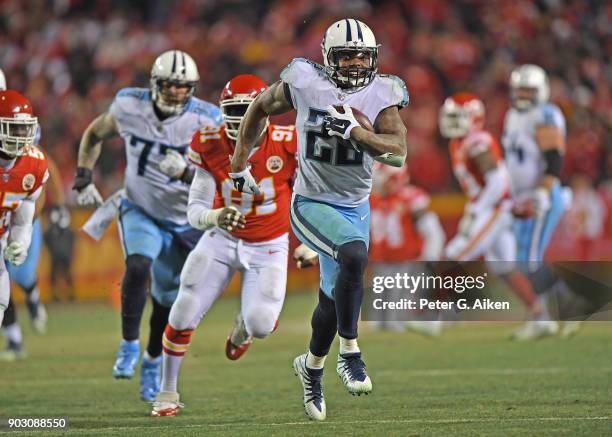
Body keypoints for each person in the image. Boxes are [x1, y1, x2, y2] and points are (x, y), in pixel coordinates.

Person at [229, 19, 409, 421]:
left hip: (355, 206)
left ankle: (310, 367)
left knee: (334, 295)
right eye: (347, 56)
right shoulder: (305, 82)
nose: (357, 64)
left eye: (363, 55)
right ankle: (350, 353)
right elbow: (259, 106)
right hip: (311, 202)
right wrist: (240, 161)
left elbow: (398, 151)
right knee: (354, 257)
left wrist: (357, 133)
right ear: (329, 58)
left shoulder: (384, 93)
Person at [151, 74, 307, 417]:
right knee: (184, 307)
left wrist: (309, 240)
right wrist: (216, 216)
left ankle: (243, 328)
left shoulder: (289, 141)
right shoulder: (209, 142)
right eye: (235, 109)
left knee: (262, 324)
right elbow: (195, 211)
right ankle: (167, 390)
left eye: (249, 108)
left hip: (269, 243)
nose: (242, 117)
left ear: (266, 111)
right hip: (223, 238)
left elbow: (308, 197)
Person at [73, 50, 222, 401]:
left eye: (183, 87)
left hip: (185, 220)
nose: (175, 93)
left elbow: (223, 175)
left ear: (193, 89)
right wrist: (82, 176)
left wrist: (187, 172)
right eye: (169, 85)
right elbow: (94, 134)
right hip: (140, 208)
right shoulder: (129, 106)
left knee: (167, 301)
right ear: (155, 84)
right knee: (138, 264)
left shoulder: (207, 119)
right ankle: (128, 344)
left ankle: (152, 360)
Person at [439, 92, 552, 331]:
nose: (451, 122)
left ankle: (438, 313)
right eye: (450, 116)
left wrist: (477, 209)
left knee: (455, 252)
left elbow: (498, 182)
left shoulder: (476, 142)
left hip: (493, 207)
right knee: (502, 266)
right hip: (490, 206)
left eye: (457, 117)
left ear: (474, 118)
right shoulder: (458, 141)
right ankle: (540, 316)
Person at [501, 65, 568, 340]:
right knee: (519, 258)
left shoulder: (545, 114)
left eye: (530, 90)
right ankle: (545, 315)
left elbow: (554, 156)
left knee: (528, 260)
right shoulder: (512, 115)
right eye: (521, 90)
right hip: (521, 197)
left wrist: (543, 191)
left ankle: (562, 309)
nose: (525, 96)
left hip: (540, 194)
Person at [369, 162, 445, 334]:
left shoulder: (410, 198)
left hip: (406, 261)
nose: (375, 182)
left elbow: (432, 230)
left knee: (398, 316)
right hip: (382, 260)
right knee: (377, 319)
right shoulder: (373, 199)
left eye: (380, 177)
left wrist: (430, 256)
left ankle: (437, 318)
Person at [0, 90, 49, 332]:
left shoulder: (34, 164)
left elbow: (25, 211)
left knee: (2, 297)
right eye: (13, 128)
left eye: (23, 129)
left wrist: (20, 241)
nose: (21, 136)